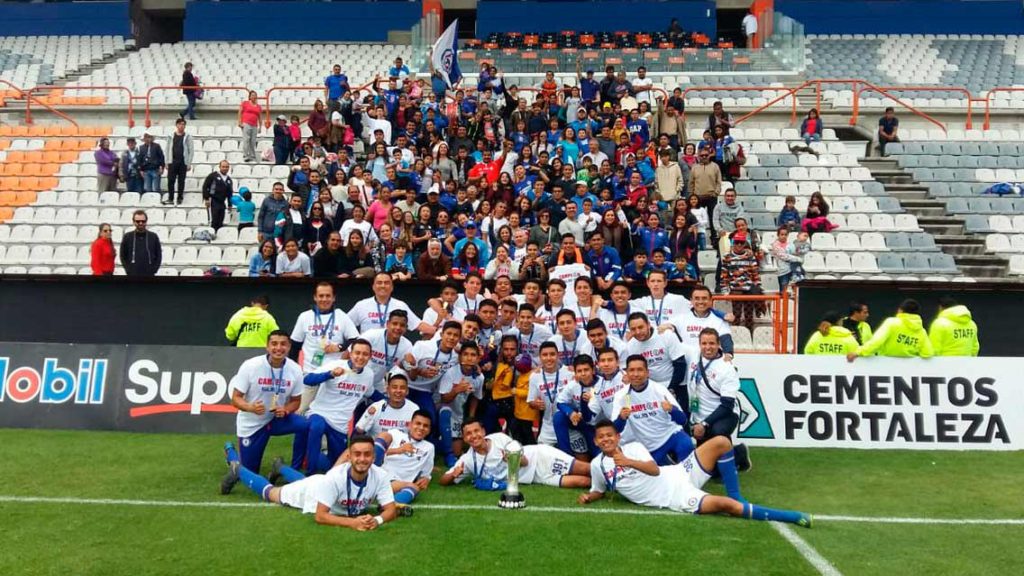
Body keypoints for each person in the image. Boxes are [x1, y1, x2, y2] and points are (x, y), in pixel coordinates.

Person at [579, 420, 811, 527]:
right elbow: (598, 489)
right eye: (601, 437)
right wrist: (590, 497)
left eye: (610, 435)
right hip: (673, 497)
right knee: (727, 507)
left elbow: (654, 469)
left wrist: (627, 461)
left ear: (617, 437)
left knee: (721, 441)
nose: (607, 439)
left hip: (677, 472)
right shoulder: (598, 465)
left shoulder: (633, 448)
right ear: (597, 442)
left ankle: (737, 494)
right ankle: (793, 516)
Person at [223, 434, 398, 530]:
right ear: (349, 457)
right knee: (272, 493)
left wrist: (377, 520)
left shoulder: (380, 476)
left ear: (374, 457)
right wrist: (353, 523)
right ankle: (237, 468)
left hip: (322, 486)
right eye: (357, 454)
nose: (362, 459)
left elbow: (390, 509)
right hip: (312, 492)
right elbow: (320, 516)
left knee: (310, 481)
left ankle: (280, 467)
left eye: (367, 454)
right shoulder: (335, 477)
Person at [220, 330, 308, 494]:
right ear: (267, 346)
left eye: (283, 344)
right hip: (252, 423)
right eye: (274, 344)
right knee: (249, 472)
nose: (278, 348)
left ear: (289, 347)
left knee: (307, 425)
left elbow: (296, 401)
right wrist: (250, 407)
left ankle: (294, 469)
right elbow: (235, 398)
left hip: (276, 420)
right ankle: (230, 452)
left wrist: (286, 410)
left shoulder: (295, 369)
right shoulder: (251, 365)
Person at [439, 420, 591, 490]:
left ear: (483, 432)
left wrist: (513, 458)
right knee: (584, 483)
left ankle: (613, 475)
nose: (473, 436)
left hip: (539, 458)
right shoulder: (468, 460)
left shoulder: (499, 438)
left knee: (585, 469)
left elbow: (524, 462)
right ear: (464, 438)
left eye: (476, 431)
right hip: (537, 478)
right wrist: (453, 474)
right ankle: (606, 485)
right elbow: (443, 481)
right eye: (468, 434)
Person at [302, 339, 377, 474]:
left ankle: (314, 459)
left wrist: (390, 400)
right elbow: (308, 379)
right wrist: (330, 374)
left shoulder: (369, 374)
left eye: (365, 354)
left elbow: (371, 393)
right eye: (357, 353)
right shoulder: (336, 364)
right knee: (316, 426)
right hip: (319, 413)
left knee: (336, 466)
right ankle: (310, 472)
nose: (360, 357)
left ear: (370, 356)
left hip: (340, 424)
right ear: (350, 353)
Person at [612, 354, 694, 466]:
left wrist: (672, 410)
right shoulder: (622, 396)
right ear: (626, 373)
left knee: (686, 445)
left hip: (670, 436)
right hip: (647, 446)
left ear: (647, 373)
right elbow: (616, 430)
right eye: (631, 370)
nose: (635, 374)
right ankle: (668, 462)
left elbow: (683, 420)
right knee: (657, 476)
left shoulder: (659, 390)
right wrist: (621, 418)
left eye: (640, 370)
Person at [289, 282, 360, 379]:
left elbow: (355, 340)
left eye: (328, 296)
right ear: (315, 297)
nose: (324, 299)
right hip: (310, 372)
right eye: (321, 296)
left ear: (333, 298)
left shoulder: (342, 316)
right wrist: (294, 371)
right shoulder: (304, 317)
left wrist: (340, 347)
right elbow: (294, 346)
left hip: (335, 374)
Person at [437, 342, 485, 466]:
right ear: (460, 357)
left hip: (458, 414)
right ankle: (447, 453)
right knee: (445, 410)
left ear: (478, 358)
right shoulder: (451, 372)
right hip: (442, 409)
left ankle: (438, 445)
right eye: (466, 354)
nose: (469, 358)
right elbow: (444, 399)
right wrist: (457, 390)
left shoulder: (479, 377)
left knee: (457, 451)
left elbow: (476, 397)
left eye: (473, 355)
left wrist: (471, 418)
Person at [847, 299, 934, 361]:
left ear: (900, 310)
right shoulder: (921, 331)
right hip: (909, 370)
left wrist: (858, 352)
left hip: (886, 365)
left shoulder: (892, 323)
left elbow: (876, 342)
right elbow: (927, 353)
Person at [527, 342, 576, 447]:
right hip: (547, 428)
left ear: (558, 355)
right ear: (540, 357)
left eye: (552, 354)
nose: (549, 358)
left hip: (570, 426)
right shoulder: (535, 376)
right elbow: (530, 402)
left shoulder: (570, 373)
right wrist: (535, 404)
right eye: (545, 355)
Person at [360, 311, 414, 394]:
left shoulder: (407, 345)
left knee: (385, 404)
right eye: (394, 323)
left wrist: (413, 365)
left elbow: (411, 374)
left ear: (406, 328)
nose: (398, 328)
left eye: (402, 325)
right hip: (358, 379)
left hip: (377, 384)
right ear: (387, 324)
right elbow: (349, 353)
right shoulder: (372, 335)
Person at [119, 209, 161, 276]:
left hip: (149, 275)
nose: (141, 223)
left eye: (143, 221)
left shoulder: (153, 236)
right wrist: (128, 269)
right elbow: (122, 255)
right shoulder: (127, 237)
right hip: (132, 275)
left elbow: (158, 255)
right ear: (133, 222)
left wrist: (154, 269)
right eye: (138, 221)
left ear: (146, 221)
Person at [164, 118, 193, 206]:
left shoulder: (187, 136)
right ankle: (170, 198)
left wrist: (189, 163)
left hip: (182, 162)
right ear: (176, 125)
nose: (182, 126)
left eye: (183, 124)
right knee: (170, 181)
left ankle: (180, 197)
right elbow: (167, 149)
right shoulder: (171, 136)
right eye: (180, 124)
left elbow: (191, 150)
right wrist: (166, 161)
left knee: (181, 181)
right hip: (172, 161)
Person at [202, 160, 234, 231]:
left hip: (222, 202)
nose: (225, 168)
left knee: (220, 220)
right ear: (219, 167)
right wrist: (206, 198)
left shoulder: (229, 179)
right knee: (214, 220)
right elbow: (205, 186)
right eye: (223, 167)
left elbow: (230, 193)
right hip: (213, 201)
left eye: (227, 167)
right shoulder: (213, 175)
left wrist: (230, 204)